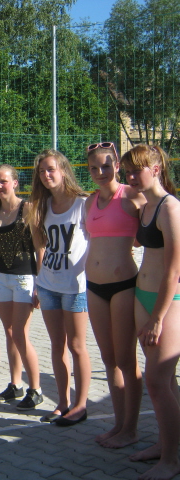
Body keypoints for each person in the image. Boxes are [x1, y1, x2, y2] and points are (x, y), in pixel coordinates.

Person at [122, 145, 180, 480]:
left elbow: (174, 269)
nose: (130, 177)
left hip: (167, 302)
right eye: (127, 171)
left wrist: (158, 316)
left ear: (156, 168)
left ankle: (171, 460)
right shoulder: (146, 205)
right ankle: (164, 443)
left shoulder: (170, 207)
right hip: (142, 295)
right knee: (166, 381)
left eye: (136, 171)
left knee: (157, 382)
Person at [85, 142, 144, 446]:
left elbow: (148, 235)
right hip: (94, 287)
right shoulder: (89, 202)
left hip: (124, 286)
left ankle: (131, 429)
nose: (100, 172)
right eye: (94, 167)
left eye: (106, 166)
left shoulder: (133, 196)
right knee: (109, 359)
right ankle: (119, 424)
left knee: (126, 359)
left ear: (117, 166)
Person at [29, 149, 90, 420]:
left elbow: (97, 243)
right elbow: (40, 245)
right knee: (57, 346)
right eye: (42, 171)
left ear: (63, 170)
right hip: (48, 285)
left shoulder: (84, 204)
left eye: (51, 169)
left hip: (75, 287)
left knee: (77, 347)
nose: (46, 175)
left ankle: (81, 404)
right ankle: (63, 402)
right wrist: (37, 282)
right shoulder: (42, 207)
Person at [0, 165, 43, 410]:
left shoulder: (28, 209)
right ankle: (15, 384)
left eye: (4, 181)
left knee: (20, 333)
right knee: (9, 333)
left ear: (15, 183)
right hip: (0, 277)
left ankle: (37, 389)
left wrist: (40, 282)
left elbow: (40, 247)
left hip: (24, 278)